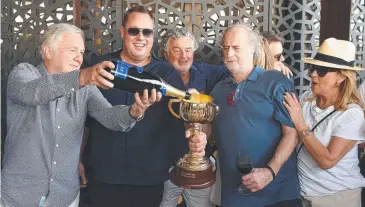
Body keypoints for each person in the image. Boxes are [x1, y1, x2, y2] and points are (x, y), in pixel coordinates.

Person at [1, 23, 161, 207]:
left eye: (81, 52)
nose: (79, 58)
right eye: (72, 50)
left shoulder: (85, 88)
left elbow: (109, 116)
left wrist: (135, 111)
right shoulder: (24, 73)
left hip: (64, 198)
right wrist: (83, 77)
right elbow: (32, 93)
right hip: (18, 196)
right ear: (47, 51)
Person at [79, 6, 207, 207]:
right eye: (134, 30)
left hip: (150, 178)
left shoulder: (167, 74)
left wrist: (196, 132)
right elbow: (83, 121)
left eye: (147, 31)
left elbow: (182, 118)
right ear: (122, 32)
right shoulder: (102, 67)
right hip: (105, 176)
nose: (141, 37)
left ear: (153, 36)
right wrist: (78, 159)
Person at [210, 22, 301, 207]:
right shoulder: (218, 90)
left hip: (277, 194)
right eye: (225, 48)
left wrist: (270, 171)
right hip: (234, 194)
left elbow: (292, 133)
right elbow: (212, 133)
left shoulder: (276, 82)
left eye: (236, 48)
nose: (229, 54)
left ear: (253, 49)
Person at [283, 38, 365, 207]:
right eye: (312, 68)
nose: (313, 74)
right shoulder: (306, 99)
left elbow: (327, 161)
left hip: (337, 197)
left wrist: (300, 123)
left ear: (341, 77)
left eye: (322, 70)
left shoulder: (351, 114)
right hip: (302, 193)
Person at [159, 28, 228, 207]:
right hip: (164, 167)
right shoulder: (157, 75)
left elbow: (236, 70)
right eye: (177, 50)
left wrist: (271, 65)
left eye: (188, 50)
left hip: (199, 165)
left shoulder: (203, 72)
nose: (184, 56)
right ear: (166, 54)